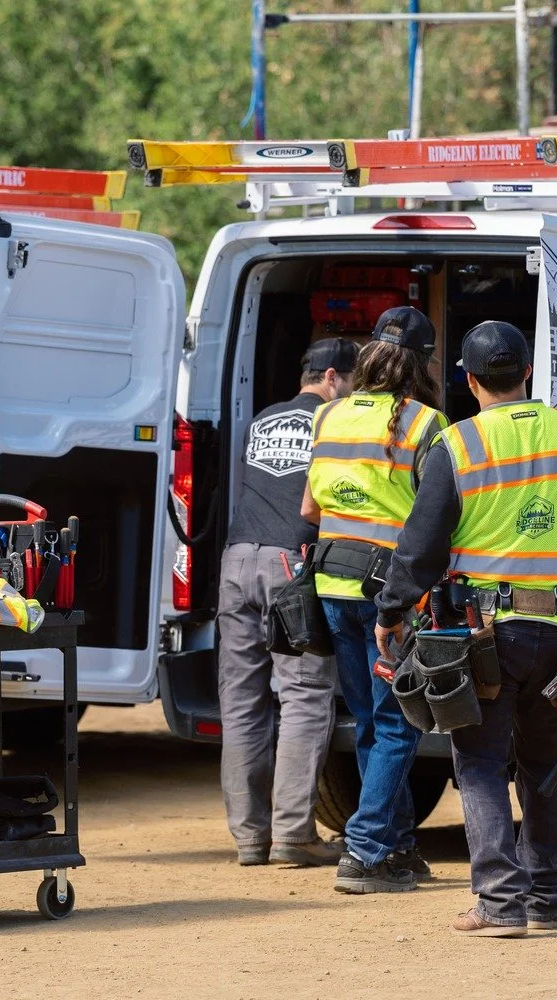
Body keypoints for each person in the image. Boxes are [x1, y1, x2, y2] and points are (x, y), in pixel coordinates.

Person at [374, 320, 557, 937]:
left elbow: (421, 545)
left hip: (484, 634)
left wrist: (392, 610)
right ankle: (543, 898)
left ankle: (498, 902)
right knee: (547, 765)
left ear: (468, 380)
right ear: (527, 373)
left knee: (481, 762)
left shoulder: (459, 444)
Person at [300, 306, 446, 894]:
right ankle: (364, 851)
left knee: (370, 720)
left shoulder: (328, 414)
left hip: (332, 582)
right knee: (399, 724)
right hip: (393, 595)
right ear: (423, 364)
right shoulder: (426, 423)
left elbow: (309, 510)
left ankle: (396, 844)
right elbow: (435, 520)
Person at [218, 337, 358, 867]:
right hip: (288, 564)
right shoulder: (334, 421)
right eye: (352, 383)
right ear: (332, 378)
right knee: (303, 694)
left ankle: (249, 838)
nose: (355, 394)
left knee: (241, 701)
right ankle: (293, 836)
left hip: (237, 560)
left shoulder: (262, 419)